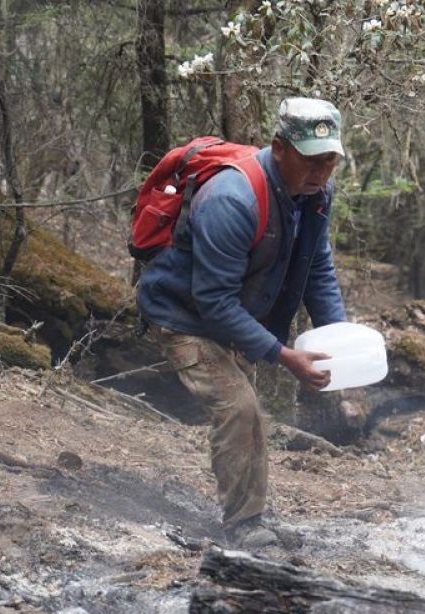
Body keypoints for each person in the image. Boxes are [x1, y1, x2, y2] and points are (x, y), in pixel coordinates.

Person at [136, 98, 347, 549]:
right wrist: (284, 355)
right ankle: (245, 525)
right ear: (280, 149)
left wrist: (340, 340)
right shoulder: (231, 199)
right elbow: (212, 301)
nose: (320, 172)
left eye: (329, 161)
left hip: (235, 315)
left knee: (248, 412)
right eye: (311, 160)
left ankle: (253, 515)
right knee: (240, 408)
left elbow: (318, 270)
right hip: (183, 315)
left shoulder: (314, 196)